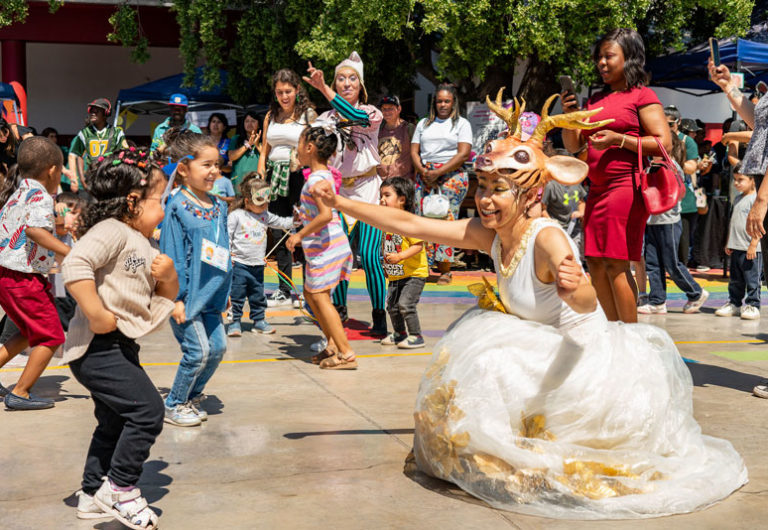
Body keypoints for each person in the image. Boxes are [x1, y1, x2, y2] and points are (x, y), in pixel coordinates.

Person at [310, 95, 747, 517]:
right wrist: (342, 203)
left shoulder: (547, 237)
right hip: (539, 346)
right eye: (483, 186)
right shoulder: (490, 233)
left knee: (501, 378)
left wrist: (573, 286)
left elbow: (586, 299)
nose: (484, 199)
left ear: (531, 194)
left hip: (580, 363)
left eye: (499, 189)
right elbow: (411, 222)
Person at [61, 150, 176, 529]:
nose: (163, 209)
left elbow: (155, 291)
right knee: (147, 412)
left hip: (119, 346)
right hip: (97, 347)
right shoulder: (112, 230)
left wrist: (169, 276)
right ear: (133, 201)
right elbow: (75, 264)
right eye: (159, 200)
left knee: (113, 422)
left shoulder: (139, 242)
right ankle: (121, 487)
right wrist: (96, 313)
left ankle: (93, 494)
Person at [561, 28, 674, 323]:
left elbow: (664, 143)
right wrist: (569, 116)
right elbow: (574, 145)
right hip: (596, 191)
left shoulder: (641, 95)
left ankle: (631, 335)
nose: (601, 62)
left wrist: (618, 140)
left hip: (625, 188)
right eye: (599, 57)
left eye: (609, 56)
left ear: (630, 58)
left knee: (616, 263)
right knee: (596, 264)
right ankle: (612, 332)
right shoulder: (595, 100)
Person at [304, 52, 388, 335]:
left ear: (360, 84)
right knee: (339, 256)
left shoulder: (371, 112)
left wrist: (322, 88)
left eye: (352, 78)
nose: (346, 83)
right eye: (341, 78)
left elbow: (352, 116)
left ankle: (379, 315)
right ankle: (338, 311)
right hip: (337, 194)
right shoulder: (325, 118)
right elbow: (312, 150)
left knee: (369, 255)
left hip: (367, 190)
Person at [160, 131, 232, 426]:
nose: (214, 171)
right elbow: (171, 255)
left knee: (218, 349)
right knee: (198, 350)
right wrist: (175, 298)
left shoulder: (219, 206)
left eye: (216, 164)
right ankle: (174, 402)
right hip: (186, 297)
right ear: (183, 169)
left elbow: (224, 249)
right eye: (206, 165)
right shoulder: (176, 206)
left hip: (213, 295)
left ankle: (192, 393)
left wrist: (226, 290)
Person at [0, 137, 71, 410]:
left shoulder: (19, 192)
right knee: (52, 336)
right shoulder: (41, 194)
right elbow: (34, 231)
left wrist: (58, 229)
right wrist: (68, 253)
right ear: (52, 170)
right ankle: (21, 392)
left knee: (30, 332)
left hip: (7, 275)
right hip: (24, 277)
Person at [286, 124, 355, 369]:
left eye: (299, 145)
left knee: (319, 296)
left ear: (310, 148)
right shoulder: (323, 174)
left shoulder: (316, 179)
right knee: (310, 294)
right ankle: (333, 344)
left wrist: (299, 234)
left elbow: (325, 214)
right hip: (323, 245)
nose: (297, 150)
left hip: (326, 244)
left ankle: (346, 353)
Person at [258, 69, 317, 309]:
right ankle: (284, 289)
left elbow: (315, 146)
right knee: (278, 231)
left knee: (304, 231)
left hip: (299, 175)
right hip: (274, 176)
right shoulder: (270, 115)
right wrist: (261, 178)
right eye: (279, 92)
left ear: (297, 91)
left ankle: (309, 289)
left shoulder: (308, 115)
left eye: (288, 91)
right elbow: (264, 150)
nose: (284, 96)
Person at [638, 133, 707, 315]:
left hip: (668, 220)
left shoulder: (672, 166)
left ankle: (696, 292)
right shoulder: (651, 165)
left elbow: (680, 193)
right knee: (653, 263)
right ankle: (657, 301)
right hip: (653, 219)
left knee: (671, 263)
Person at [411, 83, 473, 285]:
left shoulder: (461, 124)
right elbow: (414, 151)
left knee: (446, 220)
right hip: (426, 174)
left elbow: (463, 153)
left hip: (451, 176)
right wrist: (424, 171)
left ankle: (445, 269)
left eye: (447, 101)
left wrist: (439, 172)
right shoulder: (423, 124)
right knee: (425, 221)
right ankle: (425, 267)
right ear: (434, 103)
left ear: (453, 102)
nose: (443, 105)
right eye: (439, 101)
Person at [227, 174, 295, 337]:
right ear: (247, 202)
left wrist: (297, 221)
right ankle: (235, 321)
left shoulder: (265, 216)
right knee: (237, 295)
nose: (265, 205)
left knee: (258, 294)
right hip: (239, 264)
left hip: (257, 265)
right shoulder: (236, 216)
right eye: (260, 202)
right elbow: (227, 237)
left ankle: (258, 321)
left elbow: (281, 222)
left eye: (266, 202)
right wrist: (228, 258)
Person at [379, 177, 427, 349]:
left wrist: (399, 257)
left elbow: (418, 246)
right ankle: (400, 333)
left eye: (387, 195)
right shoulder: (387, 221)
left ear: (402, 199)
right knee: (391, 307)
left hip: (414, 273)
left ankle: (416, 336)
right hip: (396, 273)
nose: (382, 199)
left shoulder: (408, 221)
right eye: (381, 195)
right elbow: (386, 244)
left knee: (406, 304)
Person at [715, 166, 761, 320]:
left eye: (741, 179)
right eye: (735, 179)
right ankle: (735, 303)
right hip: (736, 247)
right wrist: (729, 242)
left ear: (752, 180)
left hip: (750, 249)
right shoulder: (737, 198)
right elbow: (733, 222)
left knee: (752, 280)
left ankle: (753, 305)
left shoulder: (756, 200)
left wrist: (753, 244)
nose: (736, 183)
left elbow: (760, 225)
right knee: (735, 280)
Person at [68, 98, 128, 194]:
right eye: (91, 110)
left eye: (97, 111)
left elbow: (124, 154)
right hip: (91, 179)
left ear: (105, 113)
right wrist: (82, 180)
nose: (92, 113)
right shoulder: (84, 133)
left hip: (111, 178)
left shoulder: (117, 133)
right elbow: (77, 155)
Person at [378, 95, 414, 181]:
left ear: (399, 109)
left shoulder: (409, 129)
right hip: (382, 182)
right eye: (384, 109)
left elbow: (417, 155)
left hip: (403, 181)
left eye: (390, 108)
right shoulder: (378, 130)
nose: (387, 112)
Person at [229, 110, 262, 193]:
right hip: (239, 180)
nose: (249, 124)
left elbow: (268, 157)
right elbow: (231, 157)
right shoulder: (236, 139)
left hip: (258, 181)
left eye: (253, 121)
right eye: (246, 121)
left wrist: (257, 145)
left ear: (258, 125)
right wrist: (247, 145)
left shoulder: (264, 140)